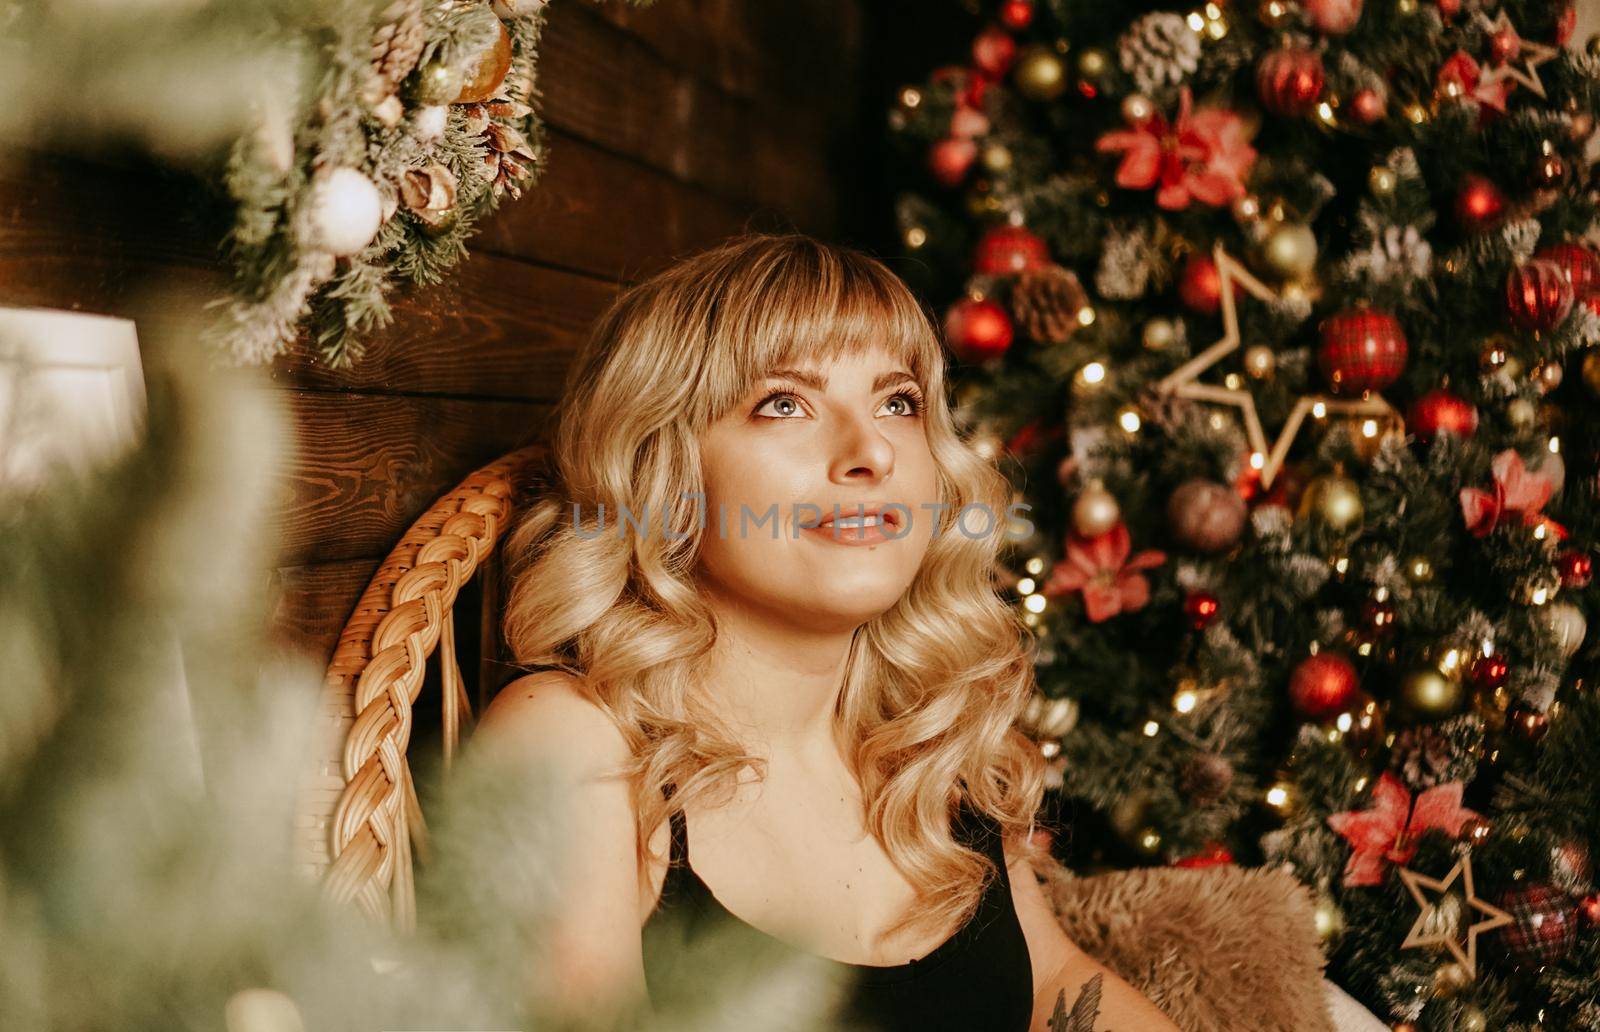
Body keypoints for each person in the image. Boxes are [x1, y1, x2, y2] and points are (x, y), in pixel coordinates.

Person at [470, 232, 1179, 1031]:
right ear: (664, 470)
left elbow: (1055, 984)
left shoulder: (928, 736)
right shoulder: (571, 745)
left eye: (898, 402)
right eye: (784, 403)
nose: (871, 449)